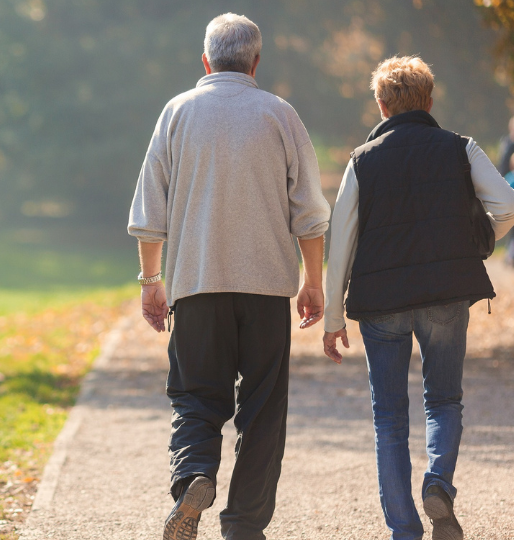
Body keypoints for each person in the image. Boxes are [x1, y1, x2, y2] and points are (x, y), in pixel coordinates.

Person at [128, 13, 331, 540]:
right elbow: (309, 212)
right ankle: (244, 525)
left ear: (205, 60)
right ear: (256, 62)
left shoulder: (176, 113)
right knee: (263, 410)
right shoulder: (280, 115)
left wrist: (152, 283)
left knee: (196, 396)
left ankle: (194, 477)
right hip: (266, 291)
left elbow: (150, 212)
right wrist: (314, 281)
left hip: (196, 287)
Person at [322, 57, 514, 540]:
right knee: (444, 401)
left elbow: (341, 241)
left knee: (389, 417)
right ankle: (438, 485)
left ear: (381, 104)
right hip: (446, 295)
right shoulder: (461, 148)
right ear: (430, 101)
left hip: (380, 302)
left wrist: (333, 317)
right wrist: (479, 239)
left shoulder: (360, 161)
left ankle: (405, 530)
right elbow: (511, 205)